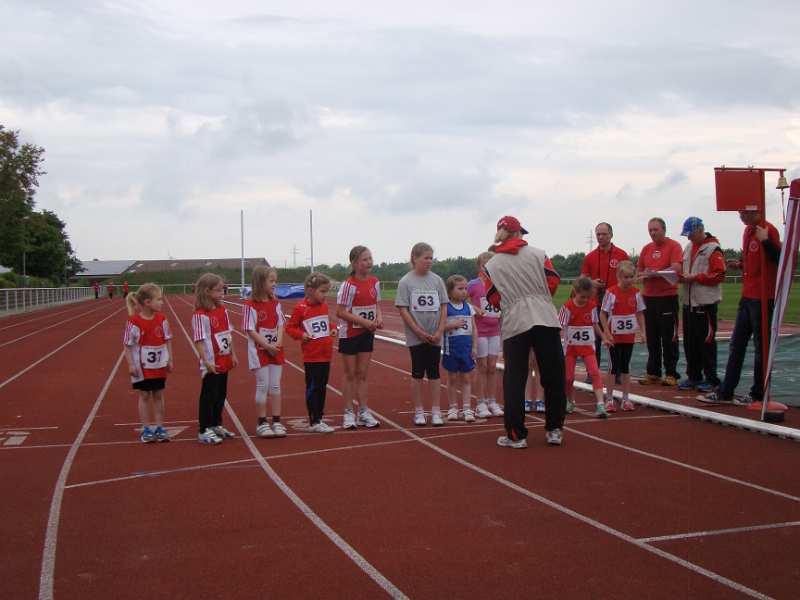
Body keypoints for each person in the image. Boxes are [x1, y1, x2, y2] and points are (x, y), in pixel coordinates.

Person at [484, 216, 566, 448]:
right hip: (545, 317)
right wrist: (539, 298)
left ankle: (516, 435)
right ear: (518, 232)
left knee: (514, 379)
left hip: (515, 321)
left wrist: (512, 303)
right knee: (553, 376)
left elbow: (493, 297)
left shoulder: (492, 265)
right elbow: (553, 281)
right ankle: (554, 429)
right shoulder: (539, 254)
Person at [705, 209, 782, 404]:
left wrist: (766, 241)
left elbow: (780, 259)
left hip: (763, 297)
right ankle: (726, 391)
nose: (741, 217)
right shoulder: (748, 231)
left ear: (755, 211)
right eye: (739, 214)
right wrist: (740, 264)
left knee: (761, 348)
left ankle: (758, 393)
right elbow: (755, 262)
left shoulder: (768, 230)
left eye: (744, 213)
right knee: (736, 344)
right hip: (747, 296)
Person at [395, 242, 448, 426]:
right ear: (415, 258)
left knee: (434, 373)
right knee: (417, 372)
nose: (429, 261)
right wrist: (417, 331)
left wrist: (440, 330)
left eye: (431, 258)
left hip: (435, 334)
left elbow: (444, 306)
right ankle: (418, 411)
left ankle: (436, 410)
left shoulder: (437, 280)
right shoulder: (405, 282)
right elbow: (403, 309)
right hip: (416, 335)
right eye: (426, 258)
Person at [336, 246, 382, 430]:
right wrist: (364, 321)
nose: (369, 262)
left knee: (362, 374)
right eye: (364, 259)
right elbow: (340, 312)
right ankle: (348, 412)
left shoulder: (375, 282)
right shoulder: (348, 285)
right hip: (350, 334)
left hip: (366, 333)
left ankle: (363, 411)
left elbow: (376, 305)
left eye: (370, 258)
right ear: (354, 263)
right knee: (350, 374)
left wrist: (379, 318)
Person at [678, 217, 725, 392]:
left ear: (700, 230)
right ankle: (694, 376)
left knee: (706, 343)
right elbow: (684, 268)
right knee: (690, 343)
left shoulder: (713, 248)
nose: (688, 237)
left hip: (705, 303)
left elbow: (719, 275)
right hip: (689, 302)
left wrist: (695, 277)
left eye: (690, 234)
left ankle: (711, 379)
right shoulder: (688, 247)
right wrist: (681, 276)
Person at [286, 272, 336, 433]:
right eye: (322, 291)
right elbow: (290, 327)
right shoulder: (301, 308)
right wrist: (301, 335)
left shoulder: (324, 306)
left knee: (322, 387)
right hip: (312, 356)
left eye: (326, 291)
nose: (325, 295)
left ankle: (319, 418)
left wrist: (333, 329)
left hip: (326, 354)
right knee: (313, 388)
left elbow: (327, 323)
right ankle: (314, 420)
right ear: (310, 290)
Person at [123, 283, 173, 442]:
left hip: (159, 365)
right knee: (144, 395)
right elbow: (127, 345)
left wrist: (170, 359)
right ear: (147, 302)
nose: (162, 302)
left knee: (158, 394)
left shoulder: (162, 319)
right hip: (141, 367)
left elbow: (168, 340)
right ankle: (146, 429)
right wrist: (130, 364)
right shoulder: (134, 322)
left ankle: (160, 427)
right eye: (159, 299)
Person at [192, 273, 238, 444]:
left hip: (224, 359)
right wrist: (206, 361)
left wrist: (233, 354)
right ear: (207, 291)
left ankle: (216, 424)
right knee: (209, 395)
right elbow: (198, 340)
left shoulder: (222, 310)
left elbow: (228, 334)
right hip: (211, 362)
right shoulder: (200, 315)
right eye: (218, 290)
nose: (222, 293)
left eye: (222, 290)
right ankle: (204, 429)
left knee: (221, 394)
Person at [636, 217, 682, 386]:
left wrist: (657, 273)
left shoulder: (674, 246)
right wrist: (644, 274)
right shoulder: (646, 248)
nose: (653, 233)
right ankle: (653, 372)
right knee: (652, 337)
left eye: (655, 229)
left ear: (664, 229)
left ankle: (671, 373)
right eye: (650, 230)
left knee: (669, 337)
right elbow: (639, 270)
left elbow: (676, 268)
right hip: (649, 297)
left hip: (667, 297)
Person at [242, 266, 286, 438]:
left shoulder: (276, 303)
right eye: (271, 281)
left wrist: (279, 343)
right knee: (263, 385)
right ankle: (262, 422)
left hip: (276, 350)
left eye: (276, 280)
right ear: (260, 282)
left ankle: (277, 420)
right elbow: (249, 329)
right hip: (259, 352)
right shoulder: (250, 305)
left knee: (275, 386)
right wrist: (267, 346)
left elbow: (281, 324)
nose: (275, 284)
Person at [580, 222, 630, 374]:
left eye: (604, 234)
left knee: (616, 340)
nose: (600, 237)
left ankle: (617, 372)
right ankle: (592, 372)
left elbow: (629, 276)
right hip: (595, 304)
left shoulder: (621, 255)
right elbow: (582, 279)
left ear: (611, 235)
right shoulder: (590, 257)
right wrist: (591, 283)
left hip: (616, 305)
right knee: (594, 340)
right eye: (598, 234)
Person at [600, 261, 646, 412]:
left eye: (631, 277)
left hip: (628, 337)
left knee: (626, 367)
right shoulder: (611, 292)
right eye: (626, 277)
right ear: (619, 277)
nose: (629, 280)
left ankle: (626, 398)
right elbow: (602, 314)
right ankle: (609, 399)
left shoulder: (636, 293)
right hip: (614, 338)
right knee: (613, 368)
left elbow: (640, 313)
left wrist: (643, 332)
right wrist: (607, 333)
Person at [559, 276, 607, 418]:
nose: (585, 300)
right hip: (571, 348)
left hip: (587, 347)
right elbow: (560, 327)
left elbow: (595, 324)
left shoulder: (592, 306)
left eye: (587, 297)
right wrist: (558, 342)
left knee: (594, 372)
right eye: (582, 297)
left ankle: (600, 404)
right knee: (568, 377)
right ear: (575, 292)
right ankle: (569, 401)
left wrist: (604, 337)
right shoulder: (567, 307)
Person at [467, 252, 504, 418]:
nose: (488, 268)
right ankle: (480, 402)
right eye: (484, 265)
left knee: (492, 367)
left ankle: (492, 401)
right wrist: (474, 308)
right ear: (479, 266)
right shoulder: (473, 285)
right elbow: (459, 300)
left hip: (495, 331)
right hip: (480, 331)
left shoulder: (499, 284)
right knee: (481, 366)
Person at [442, 275, 478, 422]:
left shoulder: (469, 308)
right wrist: (452, 325)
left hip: (466, 349)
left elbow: (474, 328)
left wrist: (475, 346)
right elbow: (440, 326)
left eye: (465, 288)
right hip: (451, 348)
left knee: (466, 378)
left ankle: (467, 408)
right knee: (452, 377)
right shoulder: (446, 307)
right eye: (460, 288)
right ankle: (453, 407)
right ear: (450, 291)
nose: (464, 291)